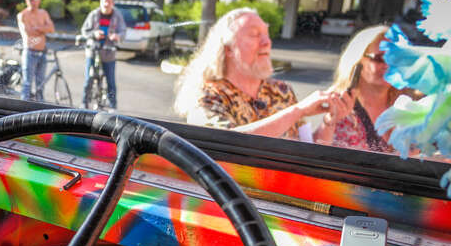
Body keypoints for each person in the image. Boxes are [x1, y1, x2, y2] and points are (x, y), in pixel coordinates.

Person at [174, 8, 346, 139]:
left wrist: (330, 121)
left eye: (267, 34)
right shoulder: (206, 95)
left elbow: (307, 145)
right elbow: (227, 142)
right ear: (228, 49)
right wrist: (298, 111)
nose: (267, 42)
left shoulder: (282, 91)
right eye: (255, 35)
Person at [313, 25, 416, 152]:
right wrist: (329, 122)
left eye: (395, 58)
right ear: (357, 61)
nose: (388, 65)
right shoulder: (341, 106)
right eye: (380, 58)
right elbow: (318, 152)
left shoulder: (408, 102)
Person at [80, 0, 126, 109]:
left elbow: (123, 31)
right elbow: (84, 31)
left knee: (111, 82)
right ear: (100, 2)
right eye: (104, 1)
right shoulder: (94, 14)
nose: (106, 4)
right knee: (89, 79)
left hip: (109, 52)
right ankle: (84, 103)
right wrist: (94, 34)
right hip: (93, 51)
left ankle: (113, 106)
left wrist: (117, 36)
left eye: (109, 1)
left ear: (112, 3)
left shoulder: (117, 16)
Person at [17, 0, 55, 101]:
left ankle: (40, 108)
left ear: (39, 0)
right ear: (26, 1)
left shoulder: (43, 13)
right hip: (30, 52)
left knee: (40, 85)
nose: (33, 2)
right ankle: (22, 108)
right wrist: (43, 29)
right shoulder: (22, 15)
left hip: (42, 52)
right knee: (27, 84)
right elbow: (28, 32)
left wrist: (37, 28)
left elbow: (51, 28)